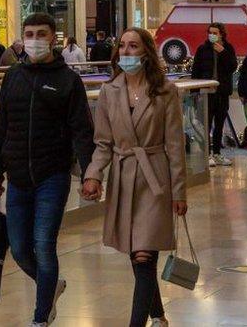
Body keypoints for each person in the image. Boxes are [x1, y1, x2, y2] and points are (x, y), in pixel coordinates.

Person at [0, 13, 95, 327]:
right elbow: (3, 126)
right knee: (19, 248)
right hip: (18, 176)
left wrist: (90, 172)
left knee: (44, 244)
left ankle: (40, 317)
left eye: (41, 33)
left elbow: (81, 130)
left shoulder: (67, 80)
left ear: (53, 38)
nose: (34, 39)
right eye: (29, 33)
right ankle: (51, 287)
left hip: (52, 174)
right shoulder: (13, 77)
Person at [81, 27, 186, 327]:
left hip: (155, 180)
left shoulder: (166, 91)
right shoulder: (109, 91)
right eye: (122, 46)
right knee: (137, 256)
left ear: (146, 52)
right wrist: (94, 175)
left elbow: (175, 145)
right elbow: (103, 143)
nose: (126, 52)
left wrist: (179, 192)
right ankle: (158, 314)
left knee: (144, 255)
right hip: (124, 178)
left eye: (134, 46)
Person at [191, 23, 238, 167]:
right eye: (210, 32)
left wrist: (223, 52)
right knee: (205, 124)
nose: (212, 35)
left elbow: (233, 67)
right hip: (206, 92)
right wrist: (195, 92)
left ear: (221, 34)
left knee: (219, 124)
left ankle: (217, 153)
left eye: (215, 32)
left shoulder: (228, 49)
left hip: (222, 92)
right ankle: (206, 154)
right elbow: (196, 70)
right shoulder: (202, 49)